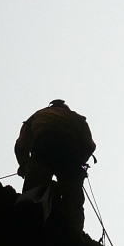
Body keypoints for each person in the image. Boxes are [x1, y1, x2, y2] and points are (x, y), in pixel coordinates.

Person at [15, 99, 96, 234]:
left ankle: (26, 219)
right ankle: (74, 234)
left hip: (44, 148)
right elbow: (90, 145)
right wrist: (80, 161)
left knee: (34, 188)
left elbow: (21, 146)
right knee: (73, 198)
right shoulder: (77, 118)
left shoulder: (38, 115)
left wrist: (24, 165)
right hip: (71, 154)